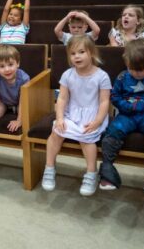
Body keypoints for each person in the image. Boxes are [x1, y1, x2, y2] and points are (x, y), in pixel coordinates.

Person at [99, 39, 144, 195]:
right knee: (114, 129)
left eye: (140, 69)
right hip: (128, 115)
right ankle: (107, 168)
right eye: (131, 69)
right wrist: (126, 106)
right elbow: (114, 96)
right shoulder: (122, 77)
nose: (136, 73)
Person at [41, 35, 111, 196]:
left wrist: (97, 121)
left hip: (93, 114)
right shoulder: (68, 74)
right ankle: (49, 168)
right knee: (56, 133)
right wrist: (59, 118)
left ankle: (91, 174)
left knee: (87, 139)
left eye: (81, 52)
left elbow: (104, 102)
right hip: (72, 113)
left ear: (91, 53)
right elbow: (62, 98)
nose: (77, 56)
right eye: (73, 53)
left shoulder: (102, 76)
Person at [0, 45, 30, 134]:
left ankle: (13, 109)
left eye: (10, 64)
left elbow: (23, 101)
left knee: (26, 112)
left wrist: (19, 120)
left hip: (18, 101)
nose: (7, 69)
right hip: (2, 100)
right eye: (2, 66)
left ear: (18, 63)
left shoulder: (24, 78)